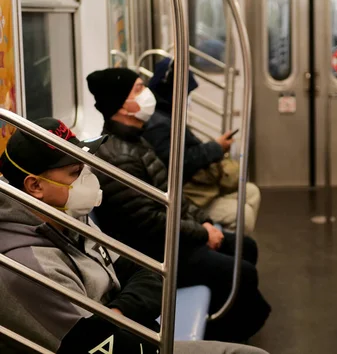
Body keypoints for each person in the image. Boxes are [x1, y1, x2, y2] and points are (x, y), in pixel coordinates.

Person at [0, 117, 269, 354]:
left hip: (137, 334)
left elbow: (147, 274)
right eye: (75, 172)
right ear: (35, 186)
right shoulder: (26, 266)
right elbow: (99, 343)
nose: (87, 178)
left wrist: (117, 313)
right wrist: (129, 313)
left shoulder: (67, 218)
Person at [86, 68, 271, 343]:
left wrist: (204, 222)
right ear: (121, 105)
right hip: (155, 251)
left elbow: (171, 195)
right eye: (138, 89)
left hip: (170, 238)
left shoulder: (136, 140)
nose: (147, 94)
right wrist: (202, 234)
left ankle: (230, 317)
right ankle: (222, 338)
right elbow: (149, 221)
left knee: (247, 247)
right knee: (242, 272)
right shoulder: (117, 157)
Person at [143, 58, 261, 233]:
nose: (188, 98)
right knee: (243, 214)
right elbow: (177, 163)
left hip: (195, 186)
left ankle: (236, 246)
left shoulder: (167, 114)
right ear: (173, 91)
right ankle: (227, 250)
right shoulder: (158, 124)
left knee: (251, 191)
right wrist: (216, 148)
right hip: (188, 192)